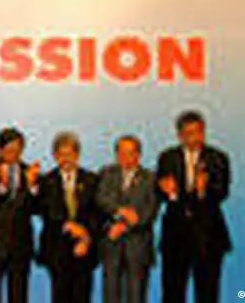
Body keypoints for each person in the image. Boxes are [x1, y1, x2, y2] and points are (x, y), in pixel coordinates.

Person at [156, 111, 232, 303]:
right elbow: (158, 193)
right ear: (180, 135)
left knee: (207, 293)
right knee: (172, 292)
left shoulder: (218, 158)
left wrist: (203, 191)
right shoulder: (167, 157)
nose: (195, 137)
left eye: (199, 132)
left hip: (207, 236)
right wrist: (168, 192)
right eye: (189, 133)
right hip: (175, 235)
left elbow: (222, 192)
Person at [0, 128, 41, 303]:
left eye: (18, 150)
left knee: (19, 295)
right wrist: (2, 187)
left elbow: (37, 209)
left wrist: (32, 187)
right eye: (9, 150)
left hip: (20, 246)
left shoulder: (30, 172)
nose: (14, 155)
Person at [36, 131, 101, 303]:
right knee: (60, 297)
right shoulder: (46, 181)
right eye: (61, 154)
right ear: (55, 156)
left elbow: (98, 214)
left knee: (82, 296)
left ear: (77, 155)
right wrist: (68, 225)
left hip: (85, 248)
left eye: (69, 154)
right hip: (56, 249)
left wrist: (85, 237)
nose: (65, 159)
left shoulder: (92, 180)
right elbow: (45, 212)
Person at [96, 135, 158, 303]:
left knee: (136, 297)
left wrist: (124, 227)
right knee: (110, 296)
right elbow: (100, 200)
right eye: (121, 153)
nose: (126, 157)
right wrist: (119, 211)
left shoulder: (150, 178)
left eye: (130, 153)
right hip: (111, 244)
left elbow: (150, 211)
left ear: (139, 154)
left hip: (138, 246)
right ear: (116, 155)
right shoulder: (106, 173)